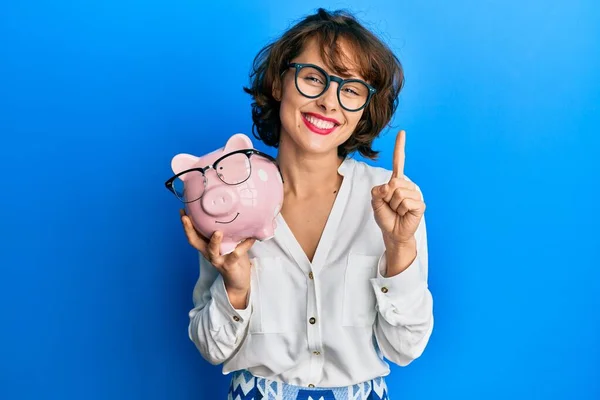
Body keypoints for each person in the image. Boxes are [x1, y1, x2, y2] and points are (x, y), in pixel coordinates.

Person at [177, 8, 433, 400]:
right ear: (280, 83)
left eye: (350, 89)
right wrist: (235, 286)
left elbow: (406, 347)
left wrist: (400, 247)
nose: (330, 103)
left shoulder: (391, 200)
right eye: (314, 78)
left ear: (364, 106)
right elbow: (213, 349)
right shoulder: (230, 199)